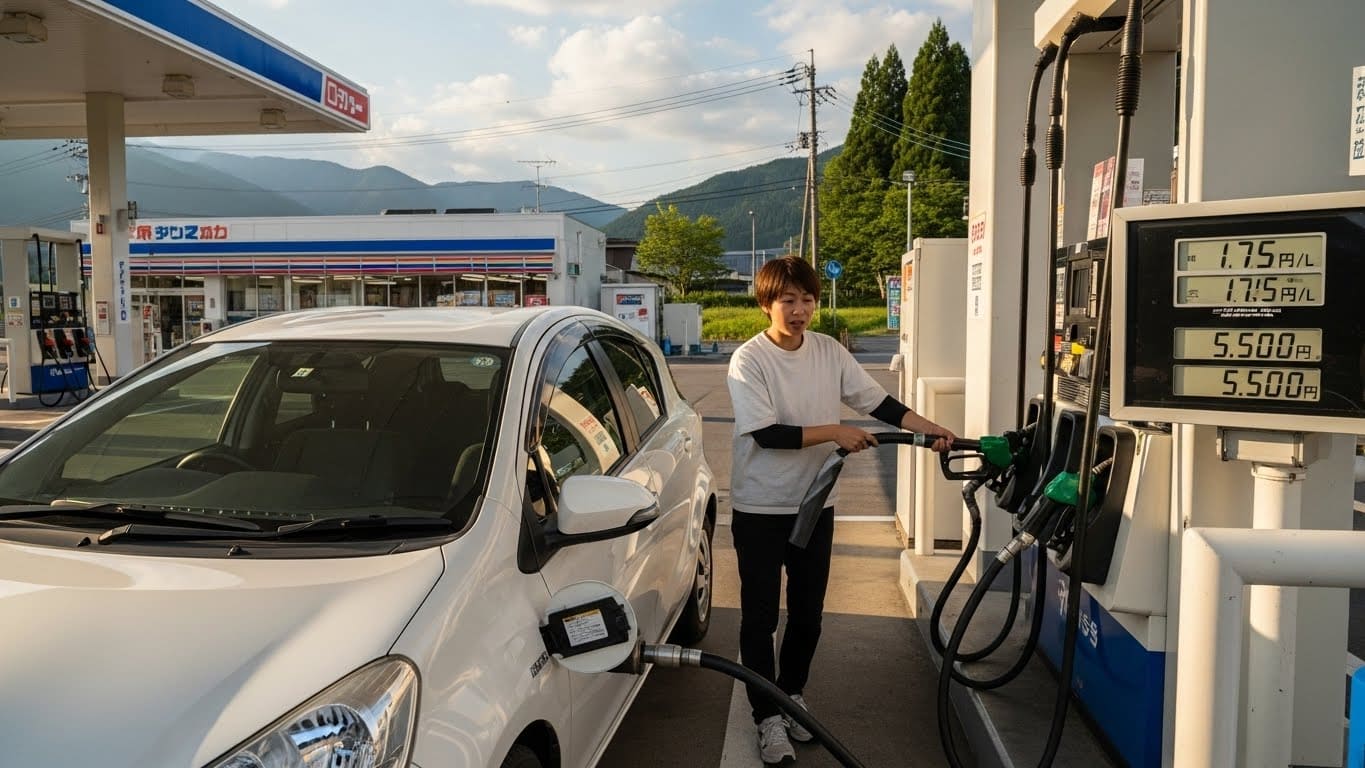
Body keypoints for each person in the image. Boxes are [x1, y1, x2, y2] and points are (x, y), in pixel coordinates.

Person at [726, 256, 955, 766]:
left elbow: (881, 405)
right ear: (767, 304)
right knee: (761, 617)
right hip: (762, 507)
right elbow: (766, 434)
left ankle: (793, 697)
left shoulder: (829, 351)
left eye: (807, 299)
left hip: (815, 504)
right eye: (787, 299)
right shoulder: (749, 360)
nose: (800, 309)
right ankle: (767, 717)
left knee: (808, 615)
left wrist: (933, 430)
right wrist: (835, 431)